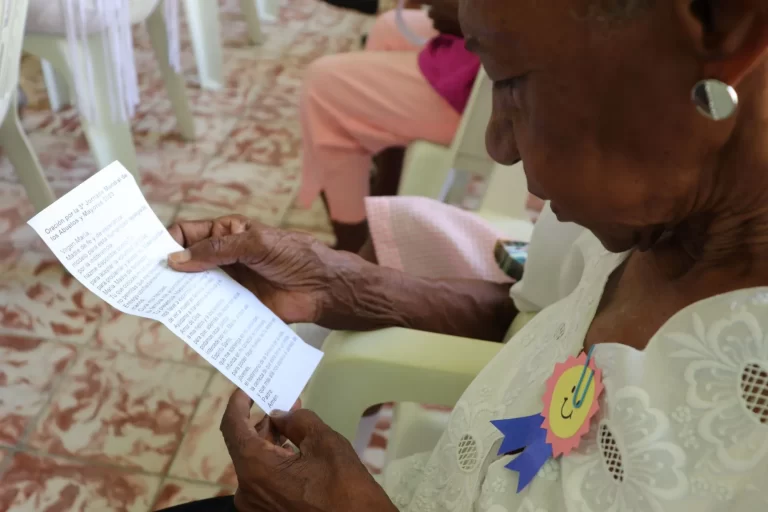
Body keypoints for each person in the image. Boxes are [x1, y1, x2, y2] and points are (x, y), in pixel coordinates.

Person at [160, 0, 768, 510]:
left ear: (725, 34)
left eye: (509, 79)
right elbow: (537, 324)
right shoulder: (649, 215)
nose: (497, 144)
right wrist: (339, 285)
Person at [296, 1, 480, 252]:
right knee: (389, 28)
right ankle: (385, 196)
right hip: (487, 46)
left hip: (494, 93)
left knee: (323, 86)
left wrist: (468, 15)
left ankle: (354, 249)